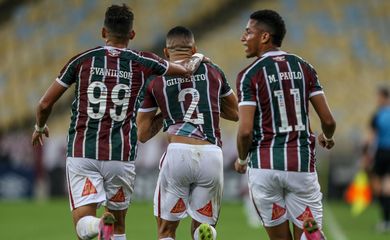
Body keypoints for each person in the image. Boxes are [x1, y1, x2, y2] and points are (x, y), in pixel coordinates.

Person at [31, 5, 204, 240]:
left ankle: (97, 225)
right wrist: (199, 57)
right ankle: (107, 225)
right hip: (120, 156)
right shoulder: (144, 61)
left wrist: (40, 126)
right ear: (132, 34)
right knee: (119, 226)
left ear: (104, 32)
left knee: (84, 225)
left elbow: (43, 105)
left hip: (83, 152)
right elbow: (186, 71)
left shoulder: (82, 60)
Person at [234, 10, 336, 240]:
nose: (243, 38)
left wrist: (241, 159)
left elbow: (245, 131)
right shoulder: (304, 67)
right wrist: (327, 136)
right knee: (309, 232)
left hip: (264, 169)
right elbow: (328, 121)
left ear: (264, 37)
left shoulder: (249, 75)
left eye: (248, 32)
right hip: (300, 167)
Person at [136, 26, 238, 240]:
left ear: (166, 52)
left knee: (166, 231)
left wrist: (169, 109)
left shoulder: (156, 79)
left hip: (178, 154)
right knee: (203, 230)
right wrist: (205, 102)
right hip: (211, 155)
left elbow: (143, 133)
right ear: (195, 49)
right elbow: (236, 112)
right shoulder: (213, 71)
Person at [365, 86, 390, 232]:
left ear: (384, 97)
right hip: (383, 153)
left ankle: (386, 220)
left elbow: (371, 136)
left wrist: (367, 155)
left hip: (383, 153)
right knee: (383, 187)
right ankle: (386, 220)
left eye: (379, 97)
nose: (377, 100)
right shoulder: (378, 114)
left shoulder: (378, 115)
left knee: (383, 188)